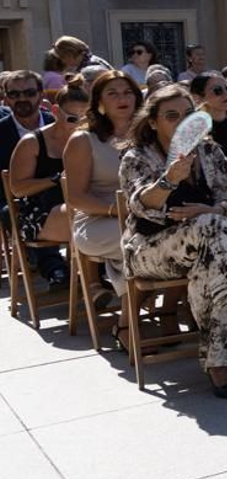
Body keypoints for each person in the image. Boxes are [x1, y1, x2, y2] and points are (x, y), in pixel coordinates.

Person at [119, 85, 227, 398]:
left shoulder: (209, 151)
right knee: (217, 234)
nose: (181, 122)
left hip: (208, 244)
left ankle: (219, 364)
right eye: (171, 116)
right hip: (150, 249)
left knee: (215, 255)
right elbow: (140, 205)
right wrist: (169, 180)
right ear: (153, 122)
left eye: (188, 115)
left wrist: (211, 210)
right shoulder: (136, 157)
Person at [64, 71, 139, 308]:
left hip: (143, 214)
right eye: (113, 93)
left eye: (127, 92)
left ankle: (160, 309)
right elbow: (76, 197)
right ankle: (132, 314)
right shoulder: (83, 140)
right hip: (97, 220)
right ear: (99, 102)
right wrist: (116, 211)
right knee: (142, 240)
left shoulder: (149, 135)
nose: (122, 98)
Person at [9, 75, 89, 290]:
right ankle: (91, 281)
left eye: (86, 119)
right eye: (73, 119)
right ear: (55, 112)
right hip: (38, 212)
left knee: (101, 212)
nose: (79, 125)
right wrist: (55, 179)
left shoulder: (89, 139)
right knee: (86, 216)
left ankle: (96, 280)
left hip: (78, 204)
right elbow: (17, 189)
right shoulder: (32, 142)